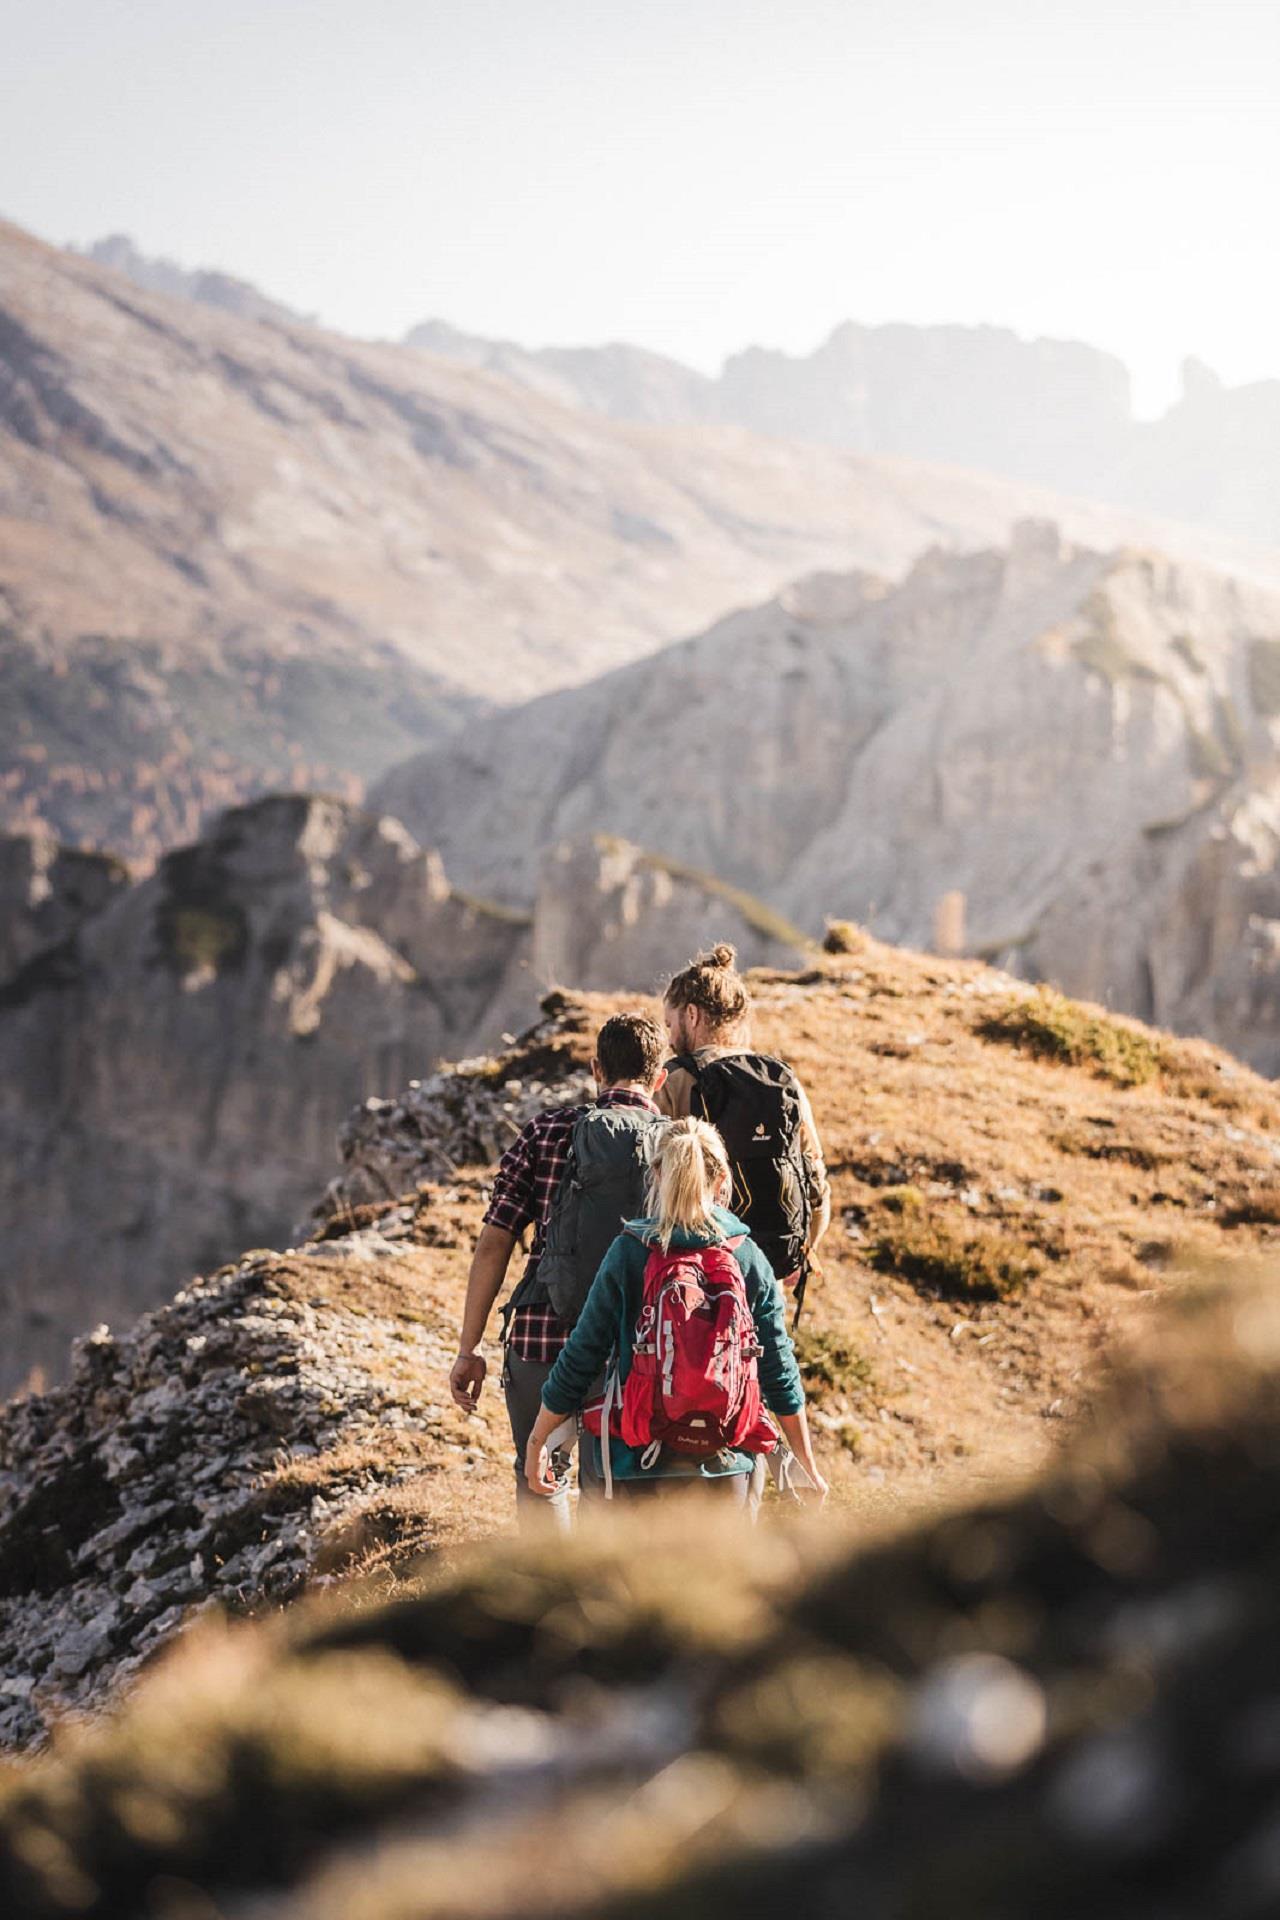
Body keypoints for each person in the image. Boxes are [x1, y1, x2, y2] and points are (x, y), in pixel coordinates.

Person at [525, 1116, 827, 1508]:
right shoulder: (746, 1255)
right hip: (726, 1463)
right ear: (722, 1181)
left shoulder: (630, 1250)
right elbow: (778, 1369)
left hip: (635, 1460)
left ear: (655, 1174)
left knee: (629, 1572)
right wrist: (807, 1464)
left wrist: (538, 1441)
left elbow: (582, 1355)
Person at [450, 1011, 667, 1528]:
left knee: (540, 1474)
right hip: (631, 1345)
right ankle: (602, 1596)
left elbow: (495, 1240)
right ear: (660, 1078)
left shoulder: (547, 1131)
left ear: (596, 1069)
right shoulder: (677, 1144)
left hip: (540, 1337)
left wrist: (469, 1347)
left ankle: (551, 1594)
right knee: (613, 1484)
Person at [659, 944, 830, 1307]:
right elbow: (816, 1186)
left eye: (670, 1024)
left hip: (690, 1283)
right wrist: (802, 1250)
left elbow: (645, 1179)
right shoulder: (781, 1082)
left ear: (692, 1015)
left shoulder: (673, 1081)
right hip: (765, 1274)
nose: (669, 1038)